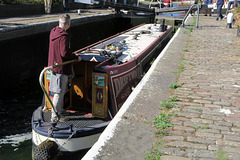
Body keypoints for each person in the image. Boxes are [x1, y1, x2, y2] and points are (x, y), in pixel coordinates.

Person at [48, 14, 82, 122]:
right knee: (59, 92)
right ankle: (55, 116)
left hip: (53, 66)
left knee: (57, 91)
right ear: (68, 24)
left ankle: (59, 110)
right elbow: (64, 53)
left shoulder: (53, 32)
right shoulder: (64, 36)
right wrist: (76, 57)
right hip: (61, 68)